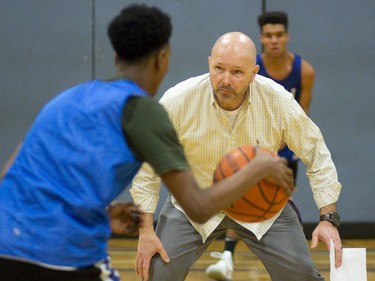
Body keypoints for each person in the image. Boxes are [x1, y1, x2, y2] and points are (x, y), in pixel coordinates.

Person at [0, 4, 293, 281]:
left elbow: (10, 177)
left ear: (116, 56)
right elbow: (199, 206)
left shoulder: (65, 100)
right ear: (162, 59)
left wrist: (99, 217)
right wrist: (259, 165)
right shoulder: (143, 110)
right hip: (60, 253)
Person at [131, 32, 343, 281]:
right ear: (209, 62)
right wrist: (146, 231)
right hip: (195, 200)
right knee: (157, 275)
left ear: (254, 73)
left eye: (237, 73)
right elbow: (147, 168)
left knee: (302, 275)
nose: (225, 80)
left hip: (261, 201)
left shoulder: (278, 100)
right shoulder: (177, 101)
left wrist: (328, 219)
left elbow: (317, 154)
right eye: (219, 68)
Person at [206, 11, 316, 280]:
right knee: (243, 197)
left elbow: (301, 118)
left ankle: (283, 260)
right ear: (262, 38)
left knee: (270, 204)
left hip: (284, 149)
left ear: (287, 36)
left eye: (279, 35)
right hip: (248, 144)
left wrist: (277, 155)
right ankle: (228, 256)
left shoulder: (304, 71)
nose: (274, 40)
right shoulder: (244, 66)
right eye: (269, 35)